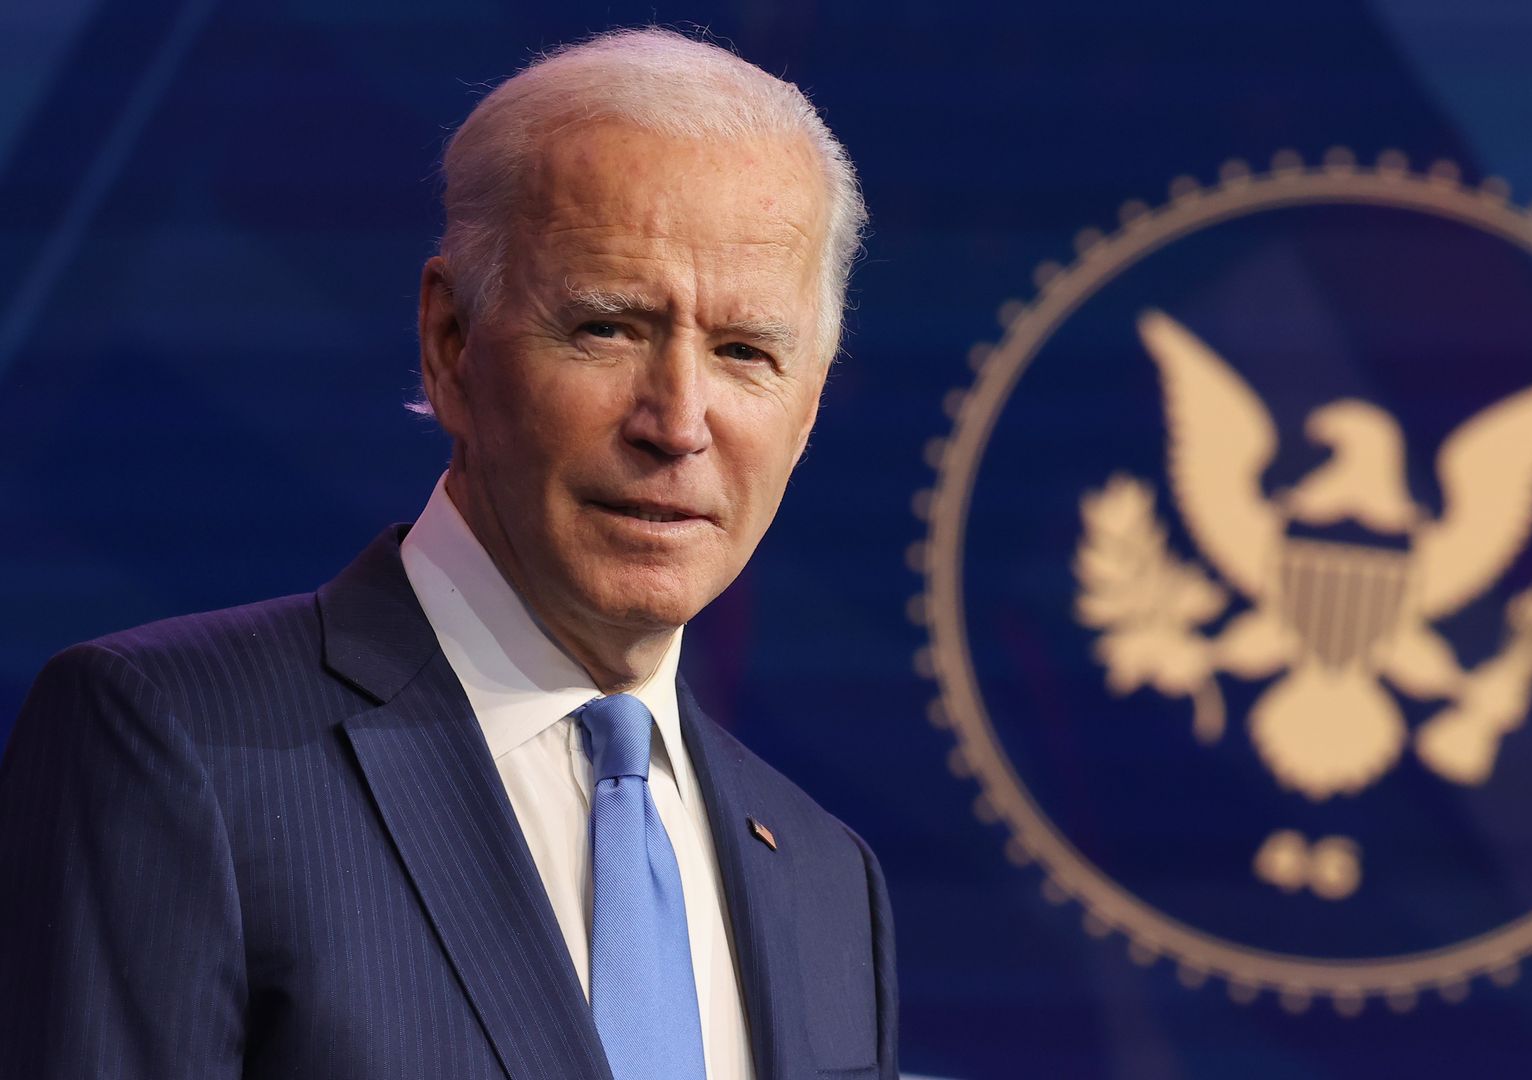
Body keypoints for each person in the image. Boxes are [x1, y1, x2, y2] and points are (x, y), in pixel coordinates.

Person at [0, 28, 895, 1080]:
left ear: (808, 408)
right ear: (451, 343)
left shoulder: (829, 883)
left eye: (745, 352)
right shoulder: (170, 743)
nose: (677, 423)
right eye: (608, 328)